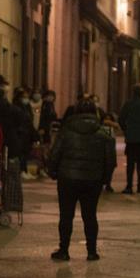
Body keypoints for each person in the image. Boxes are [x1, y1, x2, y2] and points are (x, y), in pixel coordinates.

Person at [47, 102, 116, 262]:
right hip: (93, 180)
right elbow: (110, 160)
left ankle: (63, 250)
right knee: (90, 215)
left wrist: (53, 172)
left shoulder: (66, 131)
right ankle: (91, 251)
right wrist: (105, 178)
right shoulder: (105, 132)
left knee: (66, 215)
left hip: (67, 178)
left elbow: (54, 154)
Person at [8, 87, 37, 181]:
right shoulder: (17, 107)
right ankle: (21, 170)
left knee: (25, 153)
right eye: (24, 97)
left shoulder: (26, 106)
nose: (26, 98)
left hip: (26, 133)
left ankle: (24, 170)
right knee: (21, 153)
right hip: (21, 133)